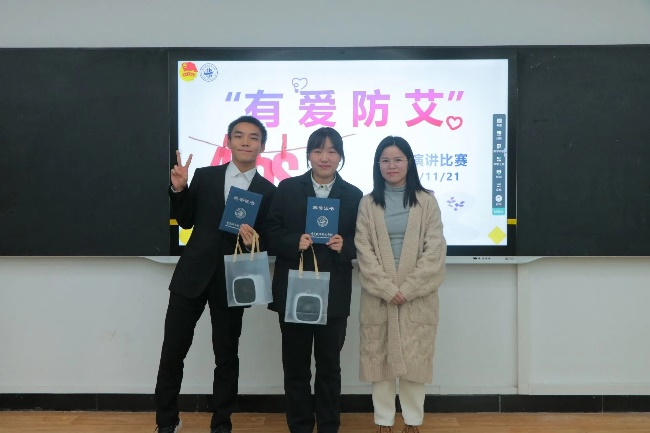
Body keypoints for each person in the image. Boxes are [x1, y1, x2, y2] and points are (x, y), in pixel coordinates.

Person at [154, 116, 277, 433]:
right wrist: (179, 189)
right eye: (239, 136)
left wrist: (254, 241)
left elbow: (269, 238)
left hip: (233, 281)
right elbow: (185, 220)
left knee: (226, 357)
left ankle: (221, 424)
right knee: (172, 352)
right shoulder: (206, 176)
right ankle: (167, 422)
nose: (245, 142)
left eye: (253, 137)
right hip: (191, 276)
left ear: (262, 146)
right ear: (228, 141)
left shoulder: (268, 191)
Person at [266, 127, 363, 433]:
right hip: (295, 290)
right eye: (318, 150)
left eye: (332, 151)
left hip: (334, 293)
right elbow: (270, 232)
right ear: (308, 154)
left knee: (329, 366)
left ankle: (329, 426)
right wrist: (293, 241)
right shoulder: (288, 188)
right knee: (295, 366)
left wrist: (345, 246)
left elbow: (365, 241)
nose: (325, 157)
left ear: (340, 157)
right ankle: (300, 426)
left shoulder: (354, 195)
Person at [354, 136, 446, 433]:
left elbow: (435, 251)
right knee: (379, 363)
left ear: (409, 163)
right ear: (377, 165)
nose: (391, 165)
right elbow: (363, 250)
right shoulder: (368, 203)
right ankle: (383, 421)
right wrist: (386, 288)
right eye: (385, 160)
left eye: (397, 159)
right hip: (378, 297)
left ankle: (412, 421)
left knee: (414, 360)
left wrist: (407, 289)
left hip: (416, 298)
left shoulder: (426, 201)